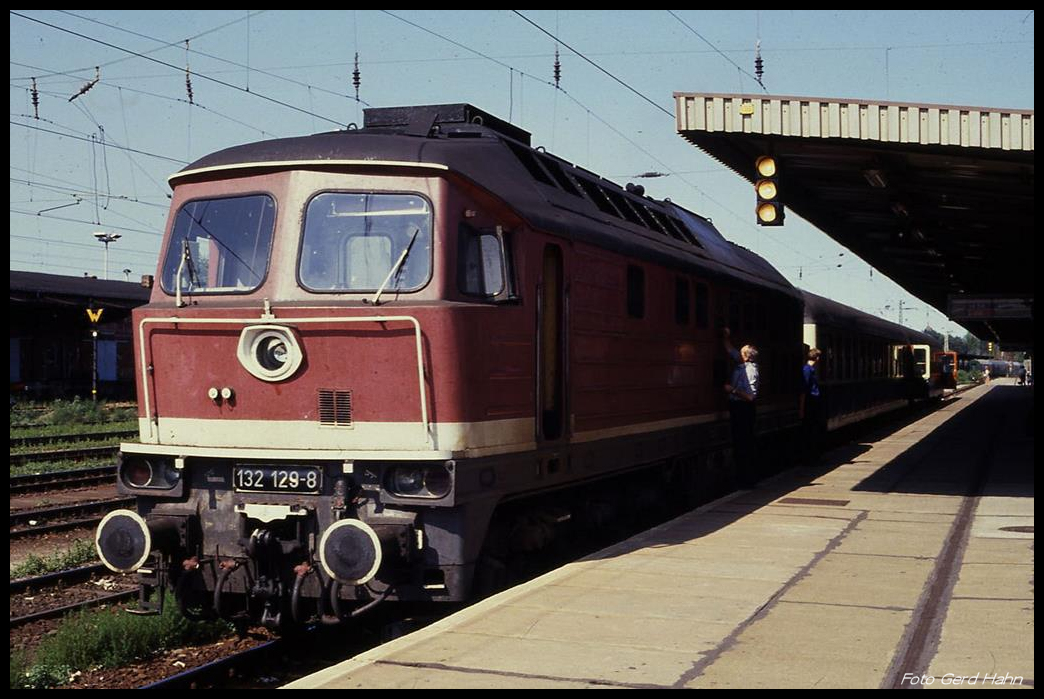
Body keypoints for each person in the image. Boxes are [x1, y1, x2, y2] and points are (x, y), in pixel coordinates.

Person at [723, 327, 759, 488]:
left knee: (744, 444)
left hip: (744, 409)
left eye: (742, 352)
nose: (739, 353)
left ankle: (747, 480)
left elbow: (751, 396)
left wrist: (733, 391)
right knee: (740, 444)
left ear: (746, 356)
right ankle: (744, 478)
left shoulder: (750, 371)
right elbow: (730, 350)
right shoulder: (741, 363)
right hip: (738, 407)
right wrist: (726, 337)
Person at [799, 347, 823, 462]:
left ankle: (813, 457)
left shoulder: (810, 370)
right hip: (810, 403)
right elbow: (803, 391)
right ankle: (810, 458)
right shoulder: (807, 370)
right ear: (817, 358)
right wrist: (802, 409)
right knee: (810, 431)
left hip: (813, 403)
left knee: (813, 431)